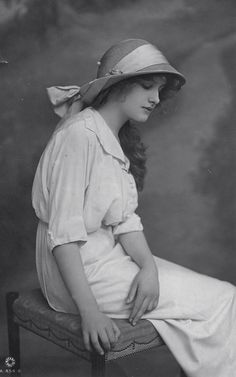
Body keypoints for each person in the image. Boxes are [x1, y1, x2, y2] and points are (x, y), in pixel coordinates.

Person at [32, 39, 236, 377]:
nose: (155, 99)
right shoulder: (80, 135)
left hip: (102, 259)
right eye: (146, 87)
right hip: (76, 275)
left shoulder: (111, 136)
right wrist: (90, 312)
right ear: (118, 86)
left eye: (158, 90)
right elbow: (64, 236)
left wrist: (148, 267)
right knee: (224, 300)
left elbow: (124, 219)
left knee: (220, 299)